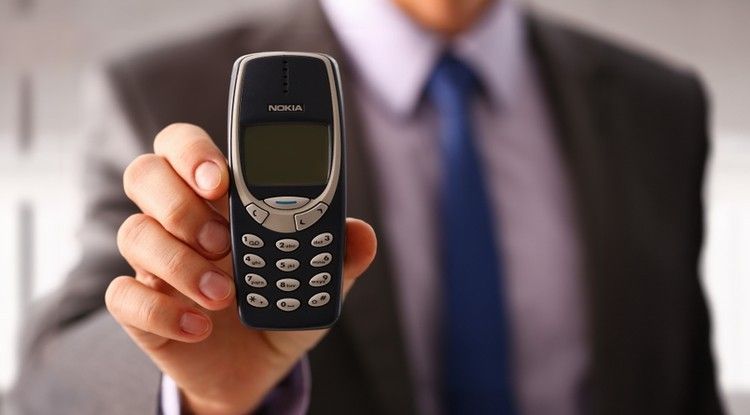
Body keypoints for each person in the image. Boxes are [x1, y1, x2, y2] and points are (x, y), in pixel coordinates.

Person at [10, 0, 724, 414]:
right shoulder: (158, 90)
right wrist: (197, 393)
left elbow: (683, 380)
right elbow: (48, 377)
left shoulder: (660, 106)